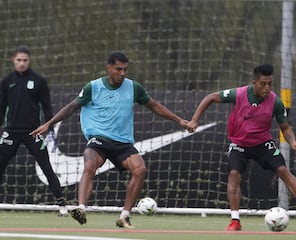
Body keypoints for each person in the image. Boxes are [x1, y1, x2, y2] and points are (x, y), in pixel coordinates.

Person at [30, 51, 188, 228]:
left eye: (125, 69)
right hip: (99, 139)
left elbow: (155, 106)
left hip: (123, 142)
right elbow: (71, 107)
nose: (122, 73)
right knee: (89, 165)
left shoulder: (134, 87)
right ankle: (81, 208)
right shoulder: (93, 87)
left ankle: (125, 216)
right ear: (109, 68)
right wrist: (48, 124)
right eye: (118, 69)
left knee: (140, 169)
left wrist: (180, 120)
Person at [186, 64, 296, 231]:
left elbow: (285, 127)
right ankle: (235, 221)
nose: (267, 88)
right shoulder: (238, 94)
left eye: (270, 84)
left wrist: (292, 142)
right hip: (239, 144)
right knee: (234, 174)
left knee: (283, 170)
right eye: (263, 84)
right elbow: (210, 97)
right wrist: (195, 120)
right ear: (255, 82)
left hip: (263, 144)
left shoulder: (276, 102)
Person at [0, 45, 68, 217]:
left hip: (34, 132)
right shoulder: (6, 82)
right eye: (19, 60)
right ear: (13, 60)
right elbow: (1, 109)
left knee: (47, 167)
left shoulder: (39, 81)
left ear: (29, 60)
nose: (22, 63)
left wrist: (50, 131)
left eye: (25, 60)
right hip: (10, 132)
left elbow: (47, 107)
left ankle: (62, 206)